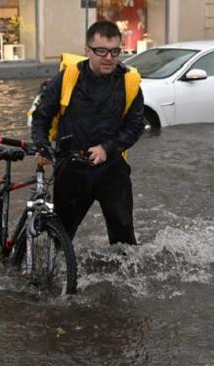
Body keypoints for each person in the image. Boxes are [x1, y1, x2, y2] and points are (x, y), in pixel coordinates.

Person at [30, 21, 145, 245]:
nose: (109, 58)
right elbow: (41, 115)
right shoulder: (67, 78)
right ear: (87, 50)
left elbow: (135, 126)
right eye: (101, 51)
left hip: (111, 170)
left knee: (123, 237)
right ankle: (57, 274)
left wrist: (107, 148)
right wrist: (42, 145)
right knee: (60, 236)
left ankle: (121, 277)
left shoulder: (129, 82)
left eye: (114, 51)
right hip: (71, 170)